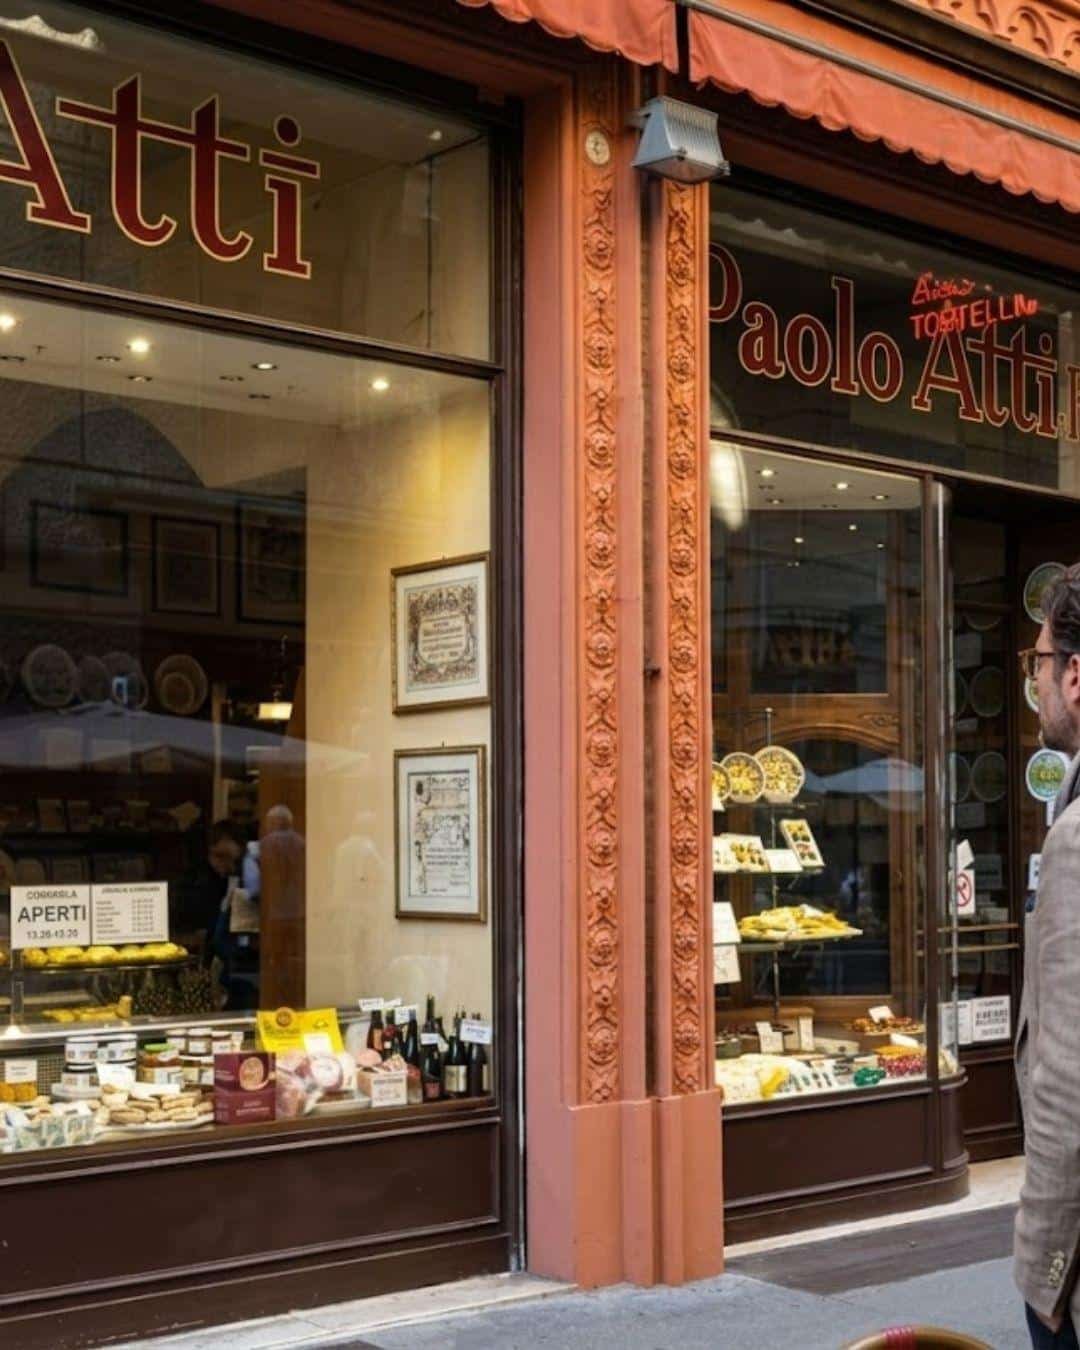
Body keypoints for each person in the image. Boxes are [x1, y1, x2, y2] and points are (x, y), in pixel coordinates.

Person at [1015, 562, 1080, 1349]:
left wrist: (1047, 1271)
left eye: (1036, 662)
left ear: (1074, 675)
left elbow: (1067, 1081)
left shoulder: (1073, 841)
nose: (1032, 680)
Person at [171, 820, 245, 956]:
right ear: (208, 852)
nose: (228, 866)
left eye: (234, 860)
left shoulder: (245, 878)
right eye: (220, 856)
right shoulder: (192, 883)